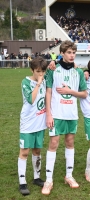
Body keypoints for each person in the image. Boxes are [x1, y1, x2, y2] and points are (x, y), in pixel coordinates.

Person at [42, 40, 87, 195]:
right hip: (56, 114)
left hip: (71, 114)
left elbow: (84, 94)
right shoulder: (53, 70)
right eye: (69, 52)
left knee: (70, 142)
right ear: (62, 53)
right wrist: (48, 114)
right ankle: (48, 180)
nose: (72, 55)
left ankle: (69, 176)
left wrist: (70, 91)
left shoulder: (78, 72)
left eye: (74, 53)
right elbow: (48, 92)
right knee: (53, 143)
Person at [17, 57, 48, 196]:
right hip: (28, 123)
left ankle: (37, 178)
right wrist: (38, 84)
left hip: (40, 123)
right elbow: (31, 100)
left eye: (43, 72)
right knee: (24, 152)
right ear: (32, 70)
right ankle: (22, 182)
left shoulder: (45, 79)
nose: (40, 75)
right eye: (38, 72)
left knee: (37, 151)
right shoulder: (26, 82)